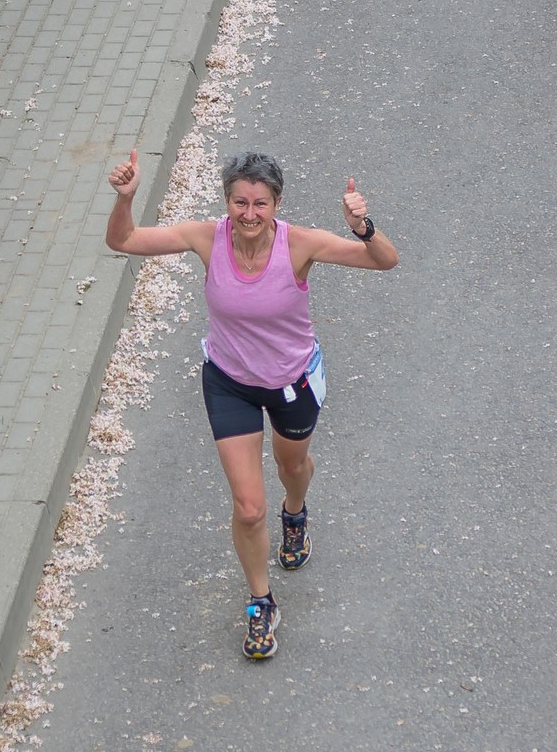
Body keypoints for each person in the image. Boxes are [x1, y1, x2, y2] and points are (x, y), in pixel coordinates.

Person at [106, 149, 399, 659]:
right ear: (227, 202)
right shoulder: (206, 237)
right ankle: (261, 602)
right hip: (230, 382)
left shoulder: (300, 244)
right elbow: (124, 240)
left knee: (292, 468)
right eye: (239, 202)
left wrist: (362, 227)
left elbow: (385, 260)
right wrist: (126, 199)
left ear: (276, 204)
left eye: (260, 203)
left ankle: (296, 514)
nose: (248, 213)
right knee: (247, 508)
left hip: (291, 382)